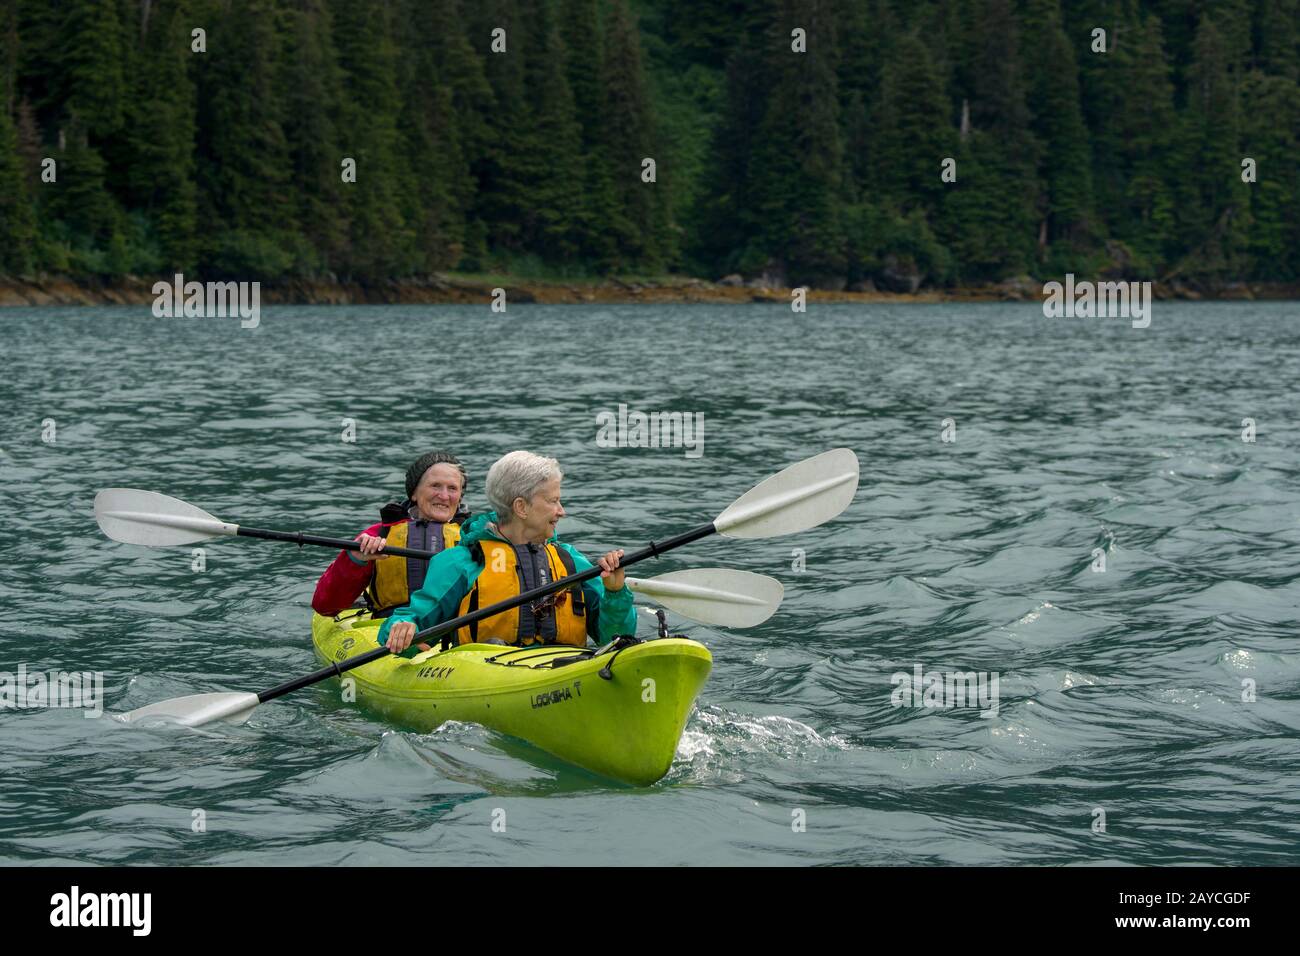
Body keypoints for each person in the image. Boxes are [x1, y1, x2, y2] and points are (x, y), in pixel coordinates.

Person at [377, 451, 634, 654]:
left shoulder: (570, 561)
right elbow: (407, 621)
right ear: (521, 507)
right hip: (489, 674)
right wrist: (403, 629)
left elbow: (614, 638)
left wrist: (615, 593)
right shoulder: (462, 562)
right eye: (553, 501)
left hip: (563, 667)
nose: (561, 511)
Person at [312, 451, 469, 618]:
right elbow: (324, 606)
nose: (444, 496)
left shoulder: (475, 539)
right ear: (414, 493)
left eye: (452, 488)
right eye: (435, 486)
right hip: (388, 624)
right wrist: (355, 560)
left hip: (453, 628)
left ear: (459, 497)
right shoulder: (378, 535)